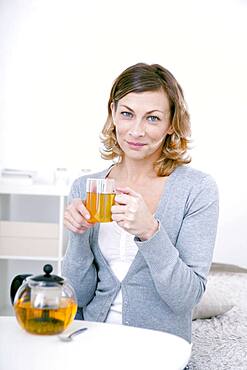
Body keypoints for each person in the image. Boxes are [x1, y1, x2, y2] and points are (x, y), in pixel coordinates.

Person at [62, 63, 219, 344]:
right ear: (113, 113)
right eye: (127, 114)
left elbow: (186, 299)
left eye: (152, 118)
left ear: (172, 123)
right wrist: (78, 237)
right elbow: (78, 295)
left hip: (158, 347)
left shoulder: (197, 190)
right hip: (89, 340)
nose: (136, 131)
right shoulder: (86, 187)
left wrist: (150, 231)